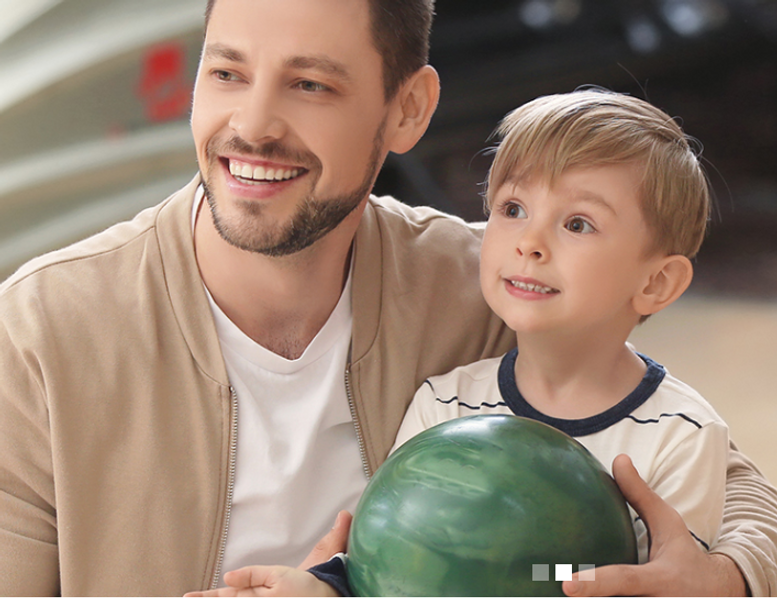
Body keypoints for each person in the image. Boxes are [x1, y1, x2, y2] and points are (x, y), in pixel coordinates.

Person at [0, 0, 774, 596]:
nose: (254, 125)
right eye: (227, 72)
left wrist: (725, 575)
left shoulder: (487, 287)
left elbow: (728, 477)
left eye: (310, 84)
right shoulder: (44, 332)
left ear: (406, 110)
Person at [187, 89, 729, 596]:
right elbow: (399, 551)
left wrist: (539, 571)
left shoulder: (682, 435)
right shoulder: (447, 401)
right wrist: (323, 585)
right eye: (513, 210)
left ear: (656, 282)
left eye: (579, 224)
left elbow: (664, 581)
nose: (530, 244)